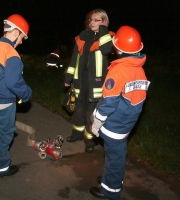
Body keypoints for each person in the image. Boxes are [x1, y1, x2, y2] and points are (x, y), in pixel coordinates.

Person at [89, 26, 150, 200]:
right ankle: (112, 180)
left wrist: (97, 122)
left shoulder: (118, 71)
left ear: (118, 49)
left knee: (114, 157)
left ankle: (110, 190)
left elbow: (108, 103)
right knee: (117, 155)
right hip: (127, 123)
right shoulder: (139, 70)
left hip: (114, 125)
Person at [0, 14, 32, 178]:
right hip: (4, 103)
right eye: (22, 37)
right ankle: (1, 168)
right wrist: (27, 93)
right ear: (15, 33)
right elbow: (13, 82)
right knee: (4, 136)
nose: (22, 41)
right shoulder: (12, 54)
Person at [64, 9, 114, 153]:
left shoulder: (108, 37)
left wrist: (103, 29)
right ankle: (77, 134)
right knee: (79, 111)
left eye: (96, 20)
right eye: (91, 19)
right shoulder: (82, 37)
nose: (91, 22)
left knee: (91, 114)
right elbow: (74, 59)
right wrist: (68, 77)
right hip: (80, 83)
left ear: (104, 22)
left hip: (96, 85)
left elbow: (106, 50)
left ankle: (90, 140)